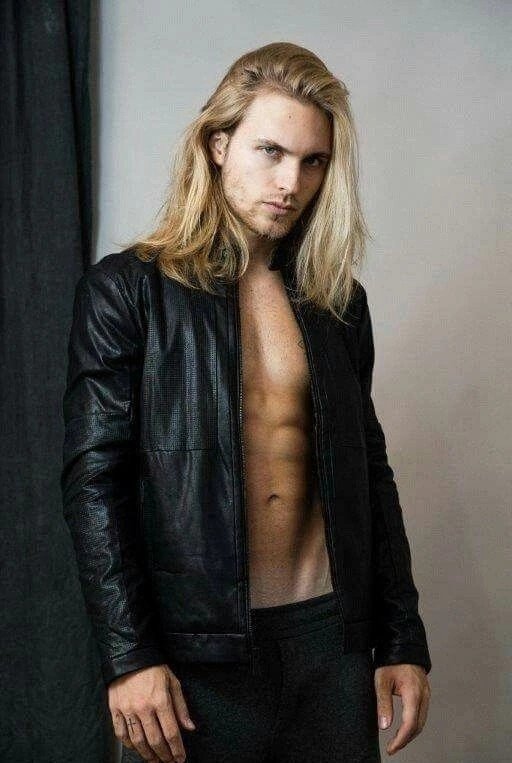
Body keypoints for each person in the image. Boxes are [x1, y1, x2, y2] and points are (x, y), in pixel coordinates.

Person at [61, 41, 432, 763]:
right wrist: (130, 656)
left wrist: (401, 638)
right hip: (198, 657)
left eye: (313, 161)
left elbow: (370, 474)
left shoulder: (338, 303)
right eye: (271, 151)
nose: (291, 181)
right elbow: (93, 484)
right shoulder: (126, 292)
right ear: (218, 144)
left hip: (331, 641)